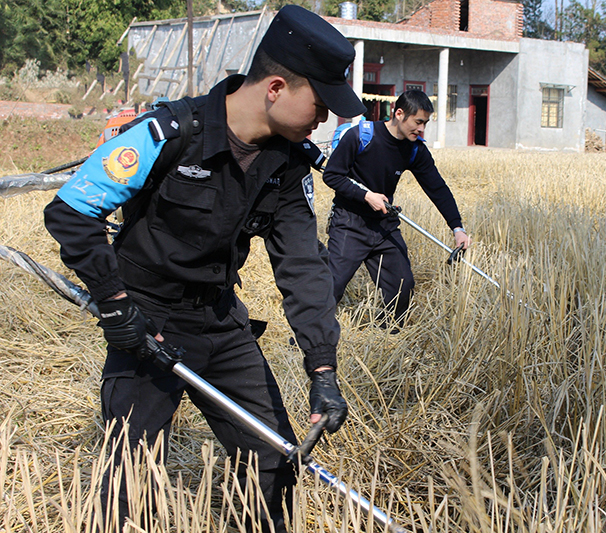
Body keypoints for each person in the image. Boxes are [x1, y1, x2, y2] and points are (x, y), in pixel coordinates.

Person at [43, 5, 366, 532]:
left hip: (220, 322)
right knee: (131, 481)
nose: (325, 119)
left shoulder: (287, 165)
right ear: (277, 88)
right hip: (146, 322)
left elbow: (303, 267)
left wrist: (322, 368)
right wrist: (115, 304)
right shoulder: (172, 132)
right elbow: (71, 212)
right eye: (321, 103)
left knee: (275, 460)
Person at [322, 90, 471, 328]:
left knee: (403, 285)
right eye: (418, 122)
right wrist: (366, 195)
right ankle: (307, 340)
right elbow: (332, 176)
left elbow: (438, 189)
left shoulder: (414, 149)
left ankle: (387, 333)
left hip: (384, 225)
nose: (422, 129)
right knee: (331, 285)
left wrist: (457, 228)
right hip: (350, 222)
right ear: (399, 113)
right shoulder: (360, 136)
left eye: (425, 123)